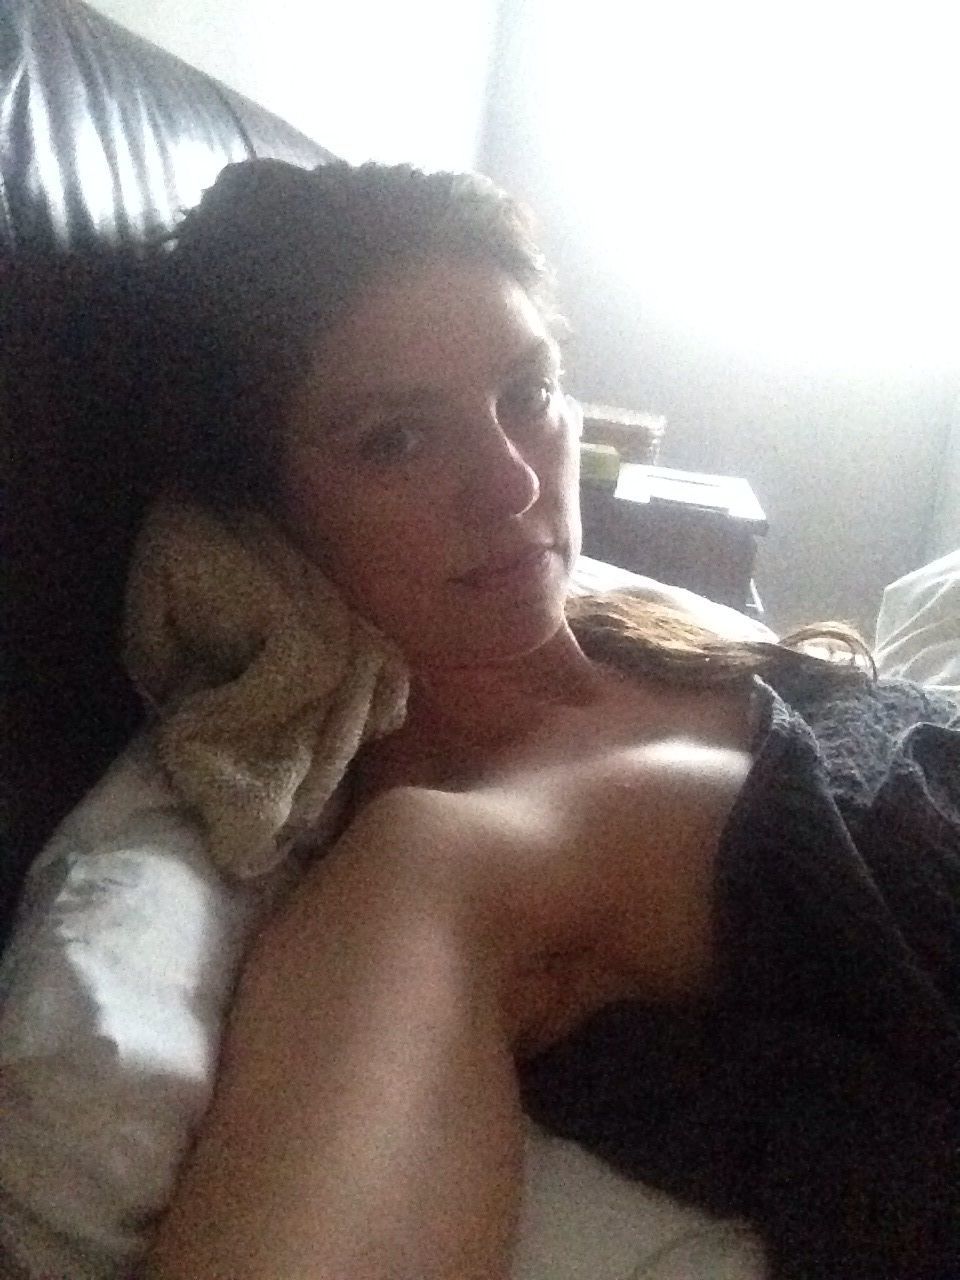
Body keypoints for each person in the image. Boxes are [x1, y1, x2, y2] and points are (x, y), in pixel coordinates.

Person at [3, 159, 959, 1280]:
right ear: (260, 518)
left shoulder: (643, 627)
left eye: (527, 394)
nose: (513, 484)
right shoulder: (441, 856)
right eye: (395, 441)